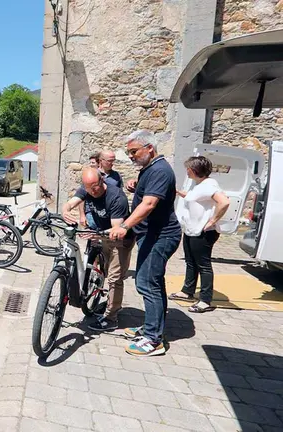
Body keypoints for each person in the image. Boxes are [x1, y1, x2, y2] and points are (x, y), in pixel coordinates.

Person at [109, 130, 182, 357]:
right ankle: (151, 328)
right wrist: (136, 185)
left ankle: (153, 340)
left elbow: (149, 204)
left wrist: (124, 226)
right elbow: (147, 193)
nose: (130, 156)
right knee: (154, 283)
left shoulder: (160, 170)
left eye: (133, 151)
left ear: (150, 148)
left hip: (160, 236)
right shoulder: (151, 169)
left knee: (146, 283)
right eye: (128, 152)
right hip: (152, 235)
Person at [62, 167, 135, 331]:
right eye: (89, 188)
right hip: (102, 236)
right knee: (103, 270)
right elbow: (72, 202)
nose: (93, 191)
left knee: (115, 278)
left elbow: (117, 229)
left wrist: (97, 235)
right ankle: (97, 291)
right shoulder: (86, 189)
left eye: (95, 187)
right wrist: (65, 210)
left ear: (102, 181)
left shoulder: (116, 197)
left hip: (120, 239)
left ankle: (111, 318)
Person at [170, 156, 230, 313]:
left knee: (203, 265)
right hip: (191, 229)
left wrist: (213, 220)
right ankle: (187, 291)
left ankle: (205, 300)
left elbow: (224, 202)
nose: (186, 171)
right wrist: (178, 192)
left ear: (195, 170)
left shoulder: (209, 185)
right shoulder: (199, 185)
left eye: (188, 168)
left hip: (203, 232)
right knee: (191, 262)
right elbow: (194, 198)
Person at [80, 150, 123, 229]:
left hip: (108, 214)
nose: (112, 163)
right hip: (92, 213)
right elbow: (81, 197)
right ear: (101, 161)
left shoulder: (116, 176)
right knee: (94, 236)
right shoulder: (92, 175)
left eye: (113, 160)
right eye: (110, 161)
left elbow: (119, 195)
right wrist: (82, 215)